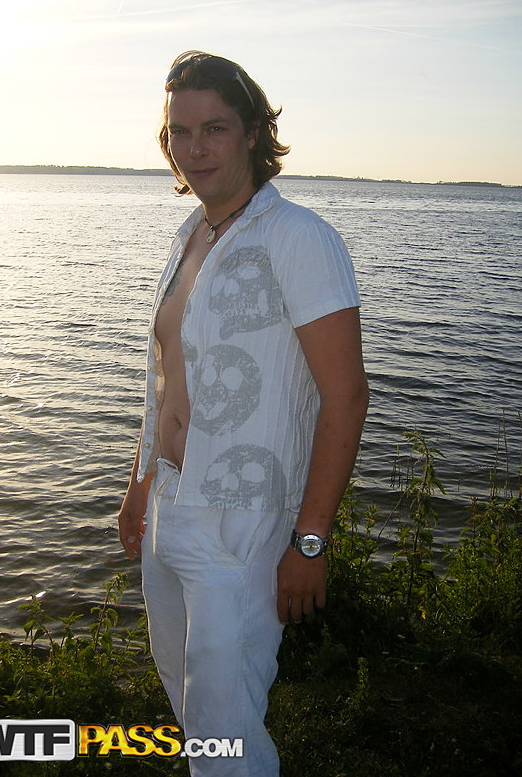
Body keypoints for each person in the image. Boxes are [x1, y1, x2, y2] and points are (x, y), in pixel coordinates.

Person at [118, 50, 368, 777]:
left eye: (215, 129)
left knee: (224, 724)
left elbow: (346, 395)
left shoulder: (299, 238)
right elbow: (167, 381)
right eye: (180, 132)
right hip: (170, 504)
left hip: (243, 519)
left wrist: (310, 542)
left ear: (254, 134)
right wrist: (139, 485)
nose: (194, 148)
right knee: (190, 704)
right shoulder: (190, 235)